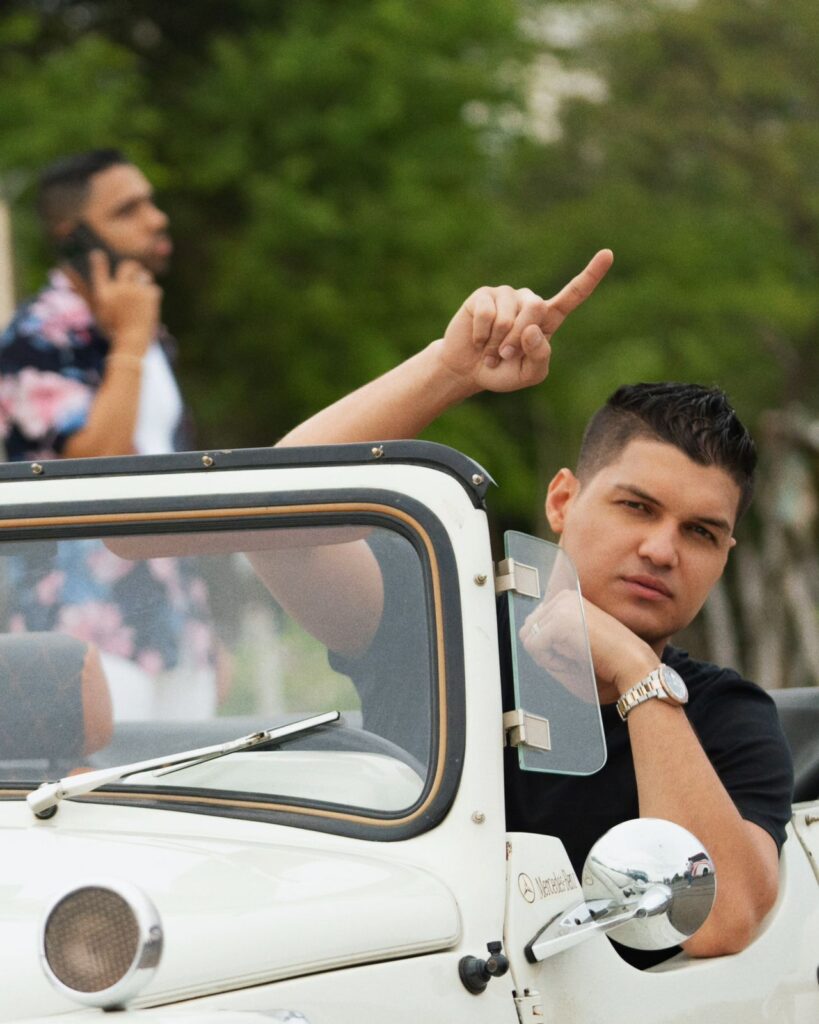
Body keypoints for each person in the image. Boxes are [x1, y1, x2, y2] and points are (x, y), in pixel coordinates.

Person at [266, 250, 793, 963]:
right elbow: (276, 520)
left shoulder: (730, 717)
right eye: (636, 507)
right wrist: (450, 369)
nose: (661, 550)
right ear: (562, 500)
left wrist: (637, 674)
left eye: (699, 532)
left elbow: (720, 923)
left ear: (724, 554)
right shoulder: (440, 631)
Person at [0, 149, 220, 718]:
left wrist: (203, 627)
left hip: (171, 628)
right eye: (128, 210)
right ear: (73, 235)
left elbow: (171, 476)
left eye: (151, 202)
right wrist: (129, 343)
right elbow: (93, 465)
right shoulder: (36, 338)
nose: (156, 219)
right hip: (81, 635)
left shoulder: (143, 327)